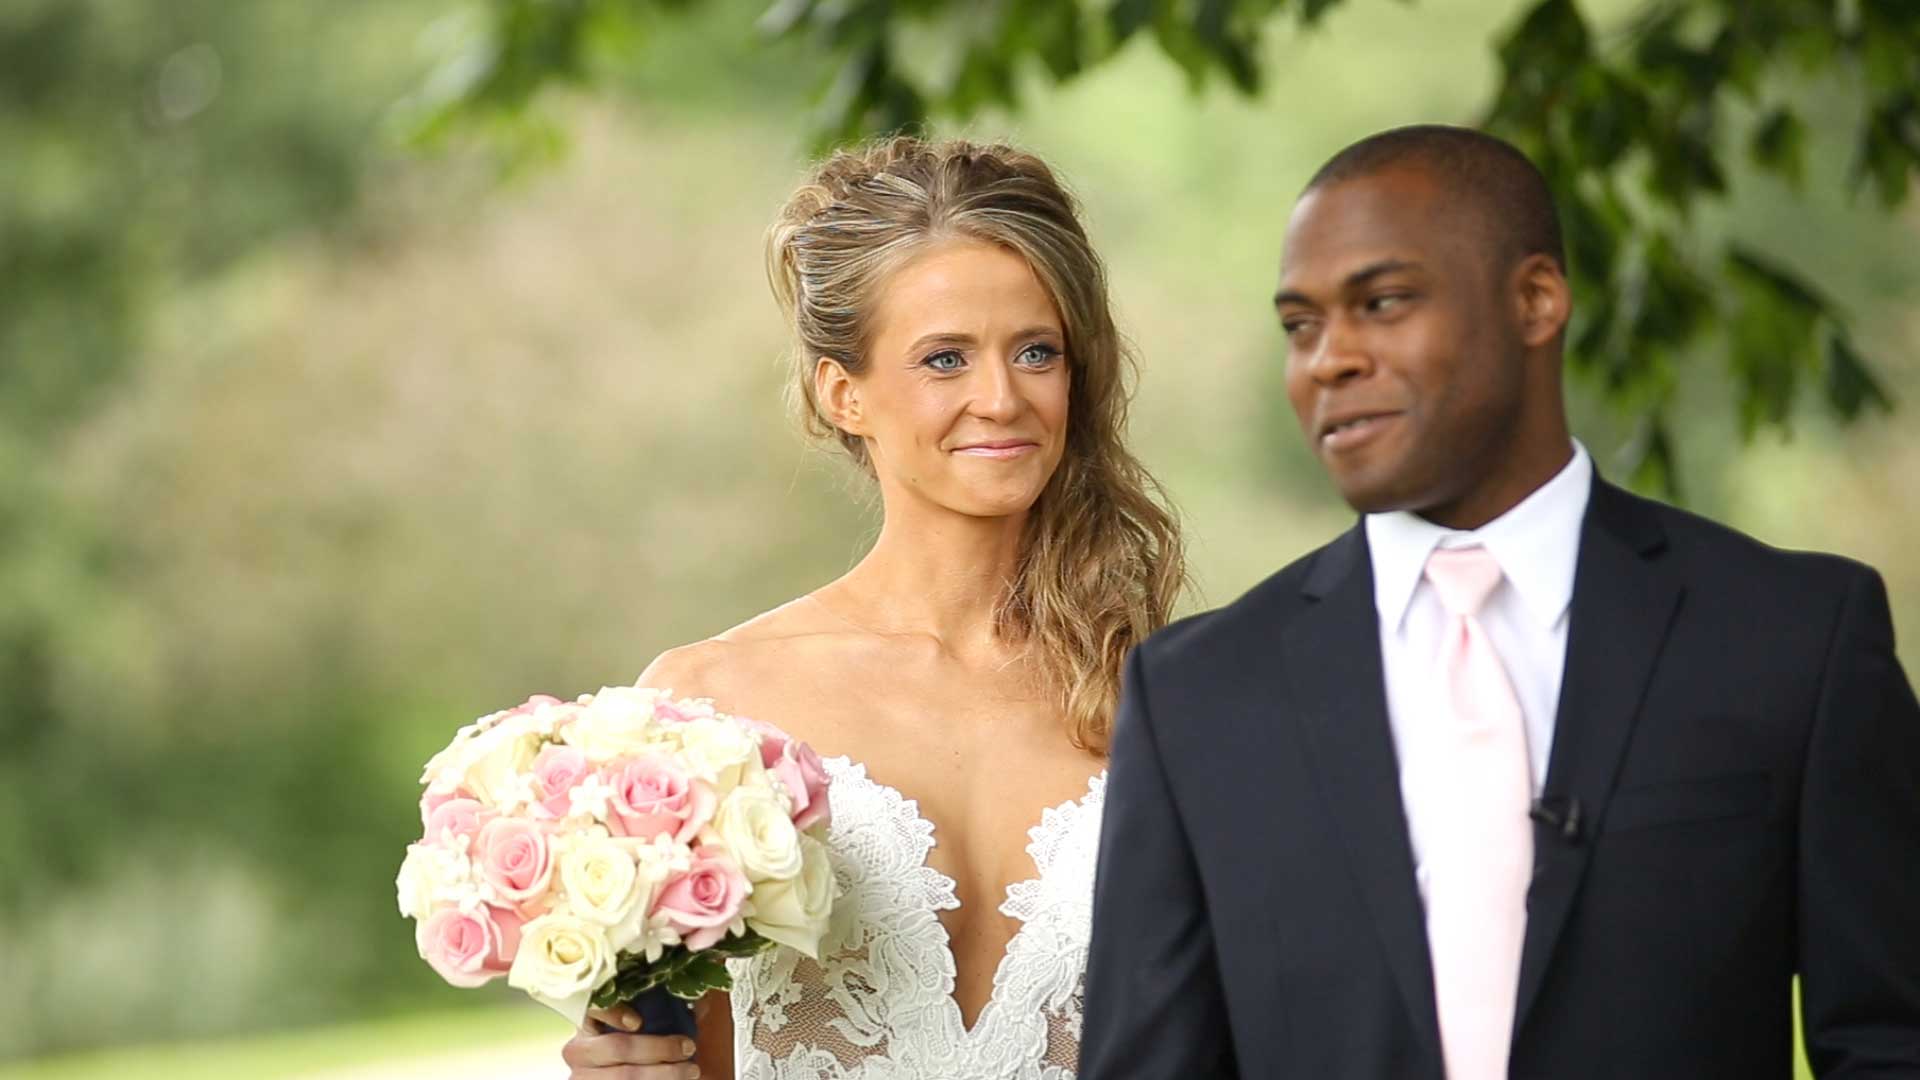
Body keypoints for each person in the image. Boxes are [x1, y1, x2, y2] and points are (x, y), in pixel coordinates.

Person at [1079, 124, 1920, 1079]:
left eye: (1382, 302)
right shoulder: (1198, 696)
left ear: (1536, 300)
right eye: (1300, 326)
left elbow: (1894, 1043)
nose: (1328, 360)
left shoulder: (1796, 638)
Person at [561, 136, 1186, 1079]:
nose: (1001, 397)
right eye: (945, 359)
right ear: (843, 393)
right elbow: (682, 1052)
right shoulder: (708, 710)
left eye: (1036, 351)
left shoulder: (1177, 696)